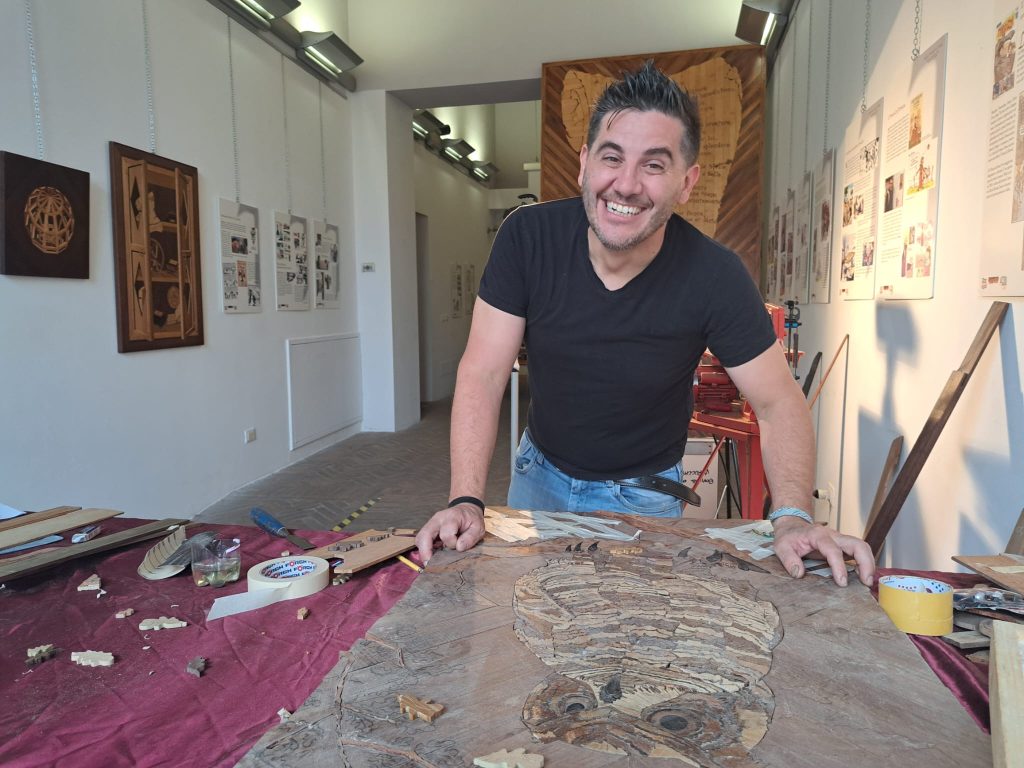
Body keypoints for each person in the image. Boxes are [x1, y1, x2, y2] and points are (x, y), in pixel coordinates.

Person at [414, 61, 874, 587]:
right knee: (531, 612)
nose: (626, 184)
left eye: (654, 165)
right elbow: (484, 371)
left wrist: (791, 516)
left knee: (637, 627)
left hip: (645, 494)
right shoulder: (526, 239)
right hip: (537, 475)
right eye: (612, 157)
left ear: (686, 182)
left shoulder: (715, 275)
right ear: (584, 164)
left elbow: (777, 402)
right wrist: (466, 499)